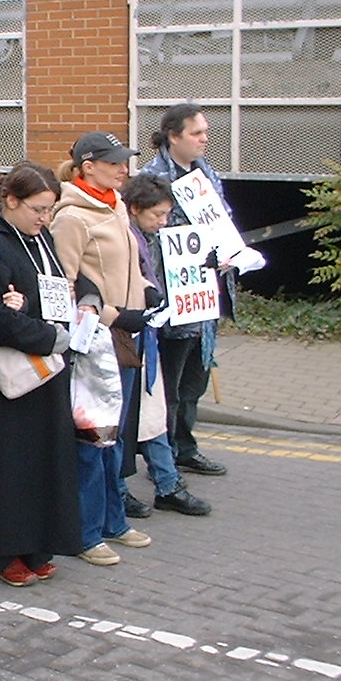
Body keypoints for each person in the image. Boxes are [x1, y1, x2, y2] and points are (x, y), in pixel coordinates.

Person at [0, 162, 87, 586]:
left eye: (50, 210)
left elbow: (66, 282)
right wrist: (51, 335)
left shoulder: (41, 238)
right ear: (10, 200)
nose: (45, 219)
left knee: (45, 460)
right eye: (38, 209)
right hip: (10, 376)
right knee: (10, 464)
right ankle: (4, 554)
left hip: (47, 366)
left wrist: (85, 299)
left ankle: (38, 545)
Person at [51, 132, 154, 567]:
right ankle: (86, 531)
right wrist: (114, 315)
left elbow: (129, 267)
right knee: (94, 439)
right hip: (98, 340)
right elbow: (64, 287)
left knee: (117, 440)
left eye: (125, 162)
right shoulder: (71, 216)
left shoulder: (114, 205)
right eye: (114, 162)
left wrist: (148, 293)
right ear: (86, 166)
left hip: (128, 336)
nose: (123, 169)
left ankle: (113, 520)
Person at [140, 103, 234, 477]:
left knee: (195, 376)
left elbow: (221, 217)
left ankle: (184, 446)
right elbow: (147, 240)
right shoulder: (152, 179)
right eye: (197, 133)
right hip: (173, 297)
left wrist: (229, 252)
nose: (204, 139)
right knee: (170, 384)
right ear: (173, 136)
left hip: (204, 292)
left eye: (205, 132)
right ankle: (161, 456)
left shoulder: (204, 171)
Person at [120, 172, 212, 516]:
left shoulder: (147, 236)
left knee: (154, 414)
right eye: (156, 215)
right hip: (129, 334)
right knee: (131, 418)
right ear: (134, 209)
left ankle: (167, 482)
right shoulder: (125, 236)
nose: (162, 222)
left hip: (149, 332)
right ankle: (134, 486)